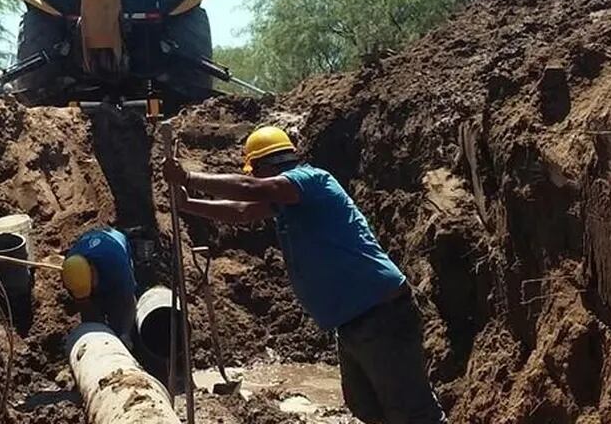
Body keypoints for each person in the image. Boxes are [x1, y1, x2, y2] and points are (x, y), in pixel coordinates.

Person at [163, 126, 447, 424]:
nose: (254, 178)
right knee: (366, 407)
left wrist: (188, 178)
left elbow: (252, 190)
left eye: (255, 172)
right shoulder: (288, 199)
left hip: (380, 313)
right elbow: (242, 210)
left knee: (413, 414)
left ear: (265, 167)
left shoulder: (310, 180)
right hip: (354, 321)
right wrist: (188, 204)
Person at [61, 227, 137, 342]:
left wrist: (125, 334)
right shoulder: (70, 269)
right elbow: (83, 304)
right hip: (92, 242)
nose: (92, 292)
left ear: (92, 270)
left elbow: (129, 302)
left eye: (91, 288)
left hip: (115, 242)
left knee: (118, 310)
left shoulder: (117, 266)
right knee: (92, 314)